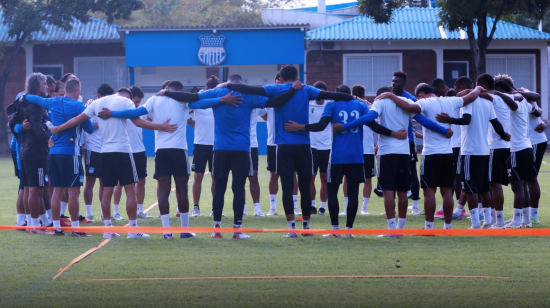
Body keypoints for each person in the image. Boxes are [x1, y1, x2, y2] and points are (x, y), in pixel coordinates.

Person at [221, 66, 356, 238]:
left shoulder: (276, 88)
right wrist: (351, 97)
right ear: (297, 76)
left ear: (282, 78)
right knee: (305, 187)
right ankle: (306, 228)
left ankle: (291, 229)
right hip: (304, 146)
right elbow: (330, 95)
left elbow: (248, 88)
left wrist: (227, 85)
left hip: (283, 147)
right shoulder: (306, 89)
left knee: (286, 187)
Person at [163, 74, 303, 239]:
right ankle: (237, 230)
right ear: (241, 84)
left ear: (227, 83)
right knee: (238, 189)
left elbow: (191, 98)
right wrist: (293, 89)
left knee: (219, 189)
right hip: (242, 150)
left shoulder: (217, 93)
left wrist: (166, 93)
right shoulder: (249, 95)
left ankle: (217, 229)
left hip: (220, 150)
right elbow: (276, 102)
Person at [99, 82, 238, 239]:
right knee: (182, 190)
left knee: (164, 190)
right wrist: (221, 100)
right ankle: (184, 231)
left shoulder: (154, 100)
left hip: (161, 151)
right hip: (179, 150)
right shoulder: (182, 100)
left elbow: (135, 112)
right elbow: (202, 103)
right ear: (179, 91)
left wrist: (112, 113)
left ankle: (167, 232)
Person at [50, 88, 177, 239]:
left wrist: (58, 128)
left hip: (105, 151)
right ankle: (133, 229)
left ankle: (108, 228)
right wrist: (160, 127)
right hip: (122, 150)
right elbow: (137, 121)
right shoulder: (126, 102)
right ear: (127, 97)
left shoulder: (98, 102)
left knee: (107, 190)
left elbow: (77, 120)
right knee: (130, 189)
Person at [286, 84, 406, 236]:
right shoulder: (360, 105)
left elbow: (321, 126)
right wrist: (394, 133)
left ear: (337, 94)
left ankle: (335, 229)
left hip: (336, 157)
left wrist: (300, 127)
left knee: (332, 192)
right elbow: (374, 126)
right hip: (356, 157)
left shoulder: (332, 105)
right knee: (353, 193)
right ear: (350, 94)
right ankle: (349, 230)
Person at [391, 83, 483, 229]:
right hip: (447, 153)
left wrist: (390, 96)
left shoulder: (424, 102)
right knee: (447, 191)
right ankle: (447, 227)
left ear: (420, 95)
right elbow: (471, 97)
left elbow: (409, 108)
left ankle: (429, 227)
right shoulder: (451, 100)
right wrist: (478, 88)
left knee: (429, 192)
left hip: (431, 153)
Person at [333, 86, 414, 232]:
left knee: (388, 191)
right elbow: (419, 114)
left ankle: (391, 230)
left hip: (386, 152)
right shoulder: (406, 101)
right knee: (402, 190)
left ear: (379, 96)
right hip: (404, 151)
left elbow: (369, 119)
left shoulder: (380, 103)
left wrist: (345, 126)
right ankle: (400, 229)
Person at [22, 79, 94, 237]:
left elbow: (33, 98)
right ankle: (75, 229)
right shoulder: (78, 106)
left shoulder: (52, 102)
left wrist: (23, 96)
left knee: (57, 192)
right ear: (76, 91)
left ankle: (57, 228)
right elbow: (89, 128)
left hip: (53, 153)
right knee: (73, 192)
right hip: (70, 154)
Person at [437, 77, 509, 229]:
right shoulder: (488, 103)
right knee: (484, 188)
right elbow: (496, 124)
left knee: (470, 189)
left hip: (470, 151)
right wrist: (504, 135)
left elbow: (466, 120)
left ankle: (475, 223)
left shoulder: (467, 101)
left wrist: (450, 119)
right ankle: (488, 222)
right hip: (485, 151)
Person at [389, 71, 449, 216]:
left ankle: (415, 205)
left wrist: (443, 130)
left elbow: (423, 120)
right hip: (390, 142)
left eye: (396, 81)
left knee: (411, 174)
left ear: (403, 84)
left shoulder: (411, 100)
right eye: (392, 81)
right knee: (393, 176)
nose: (393, 84)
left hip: (407, 141)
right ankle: (395, 208)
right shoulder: (388, 99)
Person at [12, 73, 52, 234]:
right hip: (36, 153)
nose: (47, 87)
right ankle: (35, 226)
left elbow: (13, 122)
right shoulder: (35, 106)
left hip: (25, 152)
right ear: (37, 86)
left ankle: (35, 223)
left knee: (30, 189)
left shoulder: (22, 103)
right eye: (44, 84)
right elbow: (36, 126)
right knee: (37, 190)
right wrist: (48, 138)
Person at [492, 80, 533, 228]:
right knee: (523, 186)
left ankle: (516, 222)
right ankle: (526, 220)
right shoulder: (524, 102)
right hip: (526, 147)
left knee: (517, 186)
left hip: (517, 149)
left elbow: (514, 103)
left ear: (502, 91)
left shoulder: (514, 103)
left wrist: (497, 94)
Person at [263, 73, 300, 216]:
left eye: (281, 81)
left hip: (290, 141)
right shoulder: (269, 97)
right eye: (277, 81)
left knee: (292, 174)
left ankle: (295, 206)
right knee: (274, 175)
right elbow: (263, 113)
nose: (279, 84)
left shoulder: (294, 96)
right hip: (273, 142)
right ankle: (273, 207)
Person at [112, 85, 151, 220]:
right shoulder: (121, 111)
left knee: (142, 180)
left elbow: (149, 118)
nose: (137, 104)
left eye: (139, 102)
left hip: (139, 150)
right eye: (135, 101)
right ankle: (116, 212)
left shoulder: (140, 111)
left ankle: (140, 211)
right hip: (124, 150)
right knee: (120, 182)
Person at [82, 84, 114, 222]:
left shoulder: (112, 108)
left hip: (107, 149)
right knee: (90, 182)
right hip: (93, 148)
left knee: (105, 183)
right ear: (98, 96)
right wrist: (102, 121)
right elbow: (88, 128)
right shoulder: (91, 107)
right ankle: (89, 213)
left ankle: (104, 212)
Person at [189, 76, 218, 217]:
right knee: (198, 176)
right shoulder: (199, 99)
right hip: (200, 144)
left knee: (216, 177)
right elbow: (185, 113)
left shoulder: (220, 100)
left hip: (216, 145)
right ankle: (196, 207)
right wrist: (193, 124)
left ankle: (215, 208)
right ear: (206, 89)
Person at [308, 81, 331, 215]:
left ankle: (323, 206)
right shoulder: (308, 105)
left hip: (327, 147)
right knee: (311, 177)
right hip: (311, 146)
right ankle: (312, 205)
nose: (319, 96)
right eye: (317, 93)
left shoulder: (330, 105)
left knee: (324, 177)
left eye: (322, 93)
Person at [245, 105, 267, 217]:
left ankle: (257, 208)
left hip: (253, 144)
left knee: (254, 176)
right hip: (238, 145)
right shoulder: (235, 101)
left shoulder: (256, 103)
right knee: (239, 178)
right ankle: (242, 207)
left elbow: (267, 117)